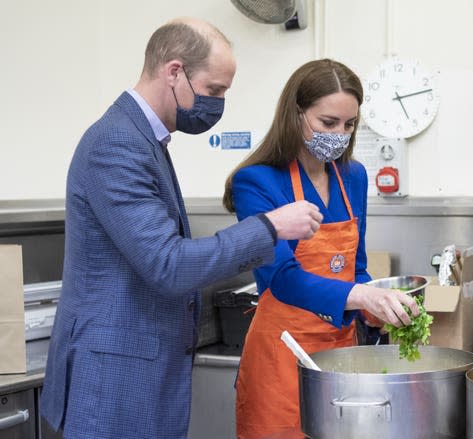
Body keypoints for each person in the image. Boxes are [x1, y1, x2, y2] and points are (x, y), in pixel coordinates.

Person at [40, 17, 323, 439]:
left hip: (140, 373)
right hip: (115, 381)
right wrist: (269, 226)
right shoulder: (116, 144)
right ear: (174, 72)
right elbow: (168, 264)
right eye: (214, 90)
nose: (218, 104)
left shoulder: (144, 139)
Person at [223, 58, 420, 439]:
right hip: (281, 358)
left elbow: (354, 268)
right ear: (296, 114)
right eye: (328, 123)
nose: (340, 134)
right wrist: (361, 294)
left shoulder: (353, 177)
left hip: (341, 358)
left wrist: (375, 306)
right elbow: (281, 278)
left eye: (349, 125)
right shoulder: (257, 182)